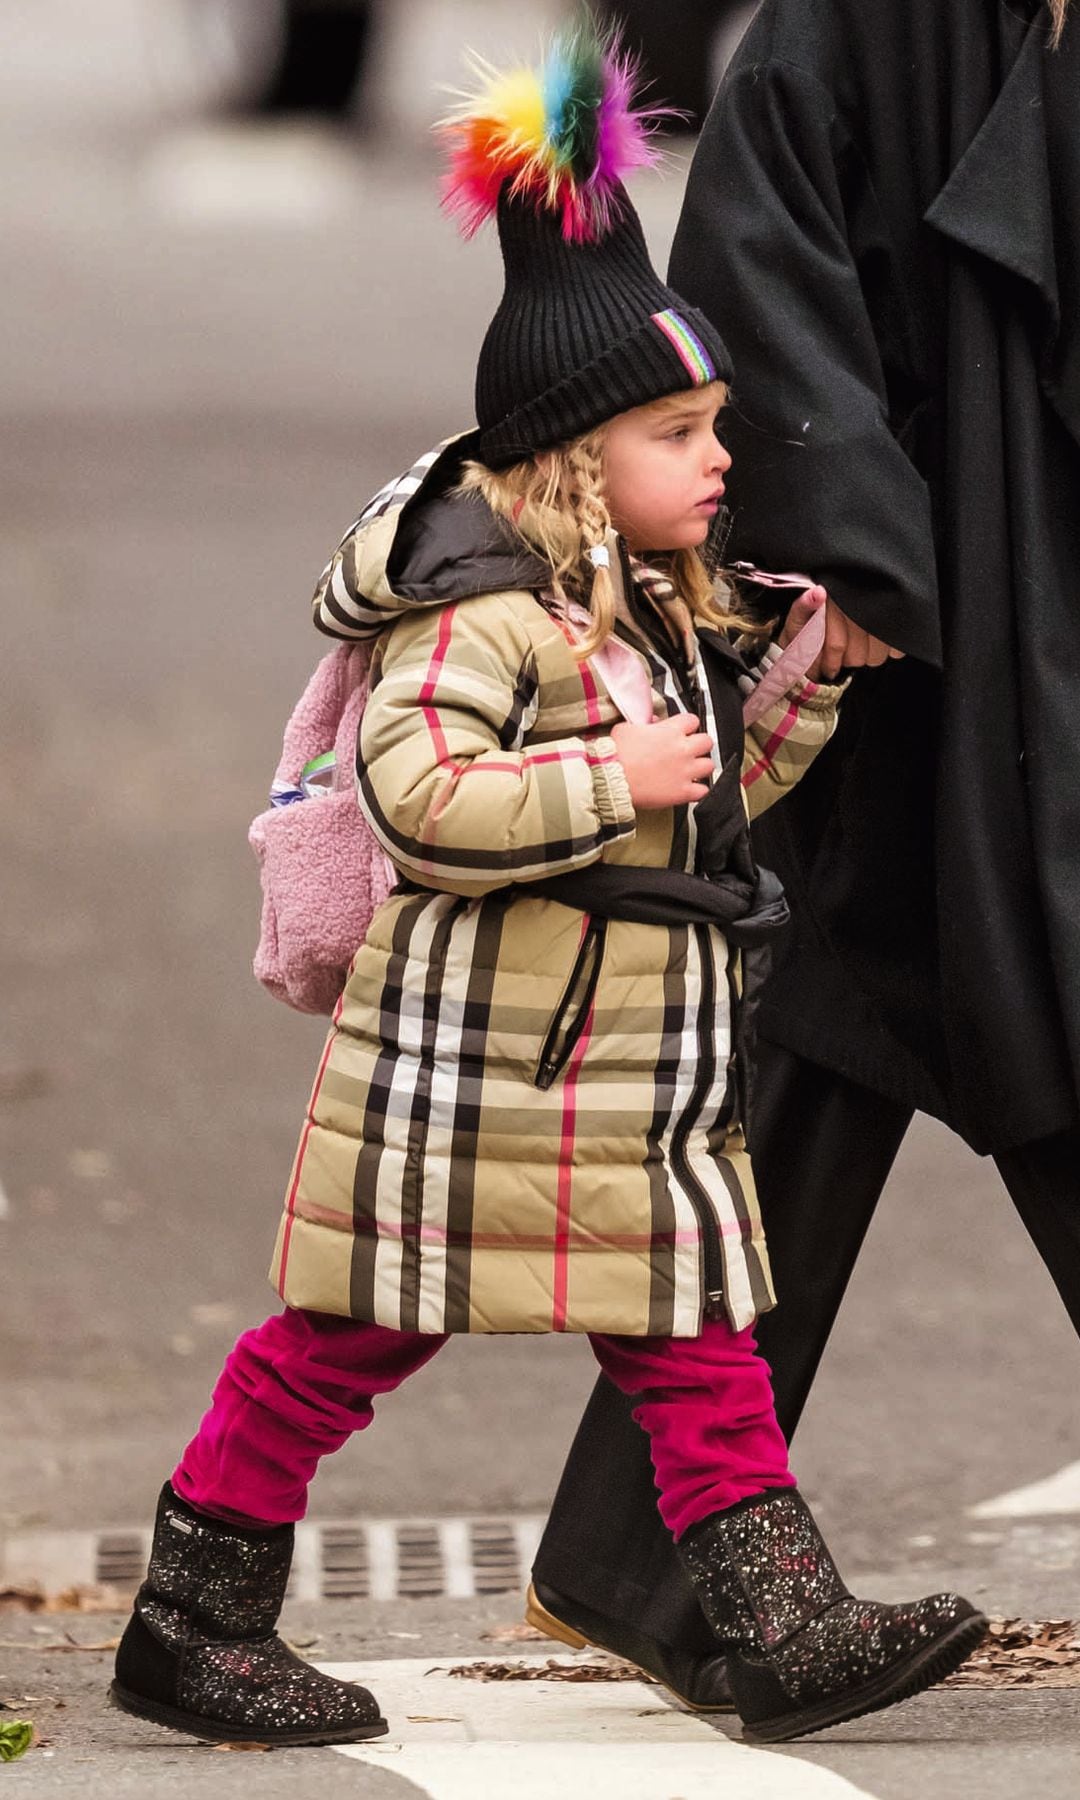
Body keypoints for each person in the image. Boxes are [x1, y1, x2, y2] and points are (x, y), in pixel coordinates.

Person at [108, 26, 983, 1753]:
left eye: (720, 420)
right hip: (468, 1070)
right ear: (577, 456)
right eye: (681, 429)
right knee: (337, 1347)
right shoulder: (479, 612)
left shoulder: (653, 607)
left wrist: (786, 697)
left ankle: (782, 1625)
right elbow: (420, 795)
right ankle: (194, 1614)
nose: (722, 457)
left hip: (615, 1074)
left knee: (702, 1339)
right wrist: (612, 776)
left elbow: (708, 798)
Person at [529, 0, 1080, 1708]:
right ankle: (630, 1559)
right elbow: (762, 280)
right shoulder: (860, 30)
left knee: (840, 1030)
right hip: (915, 624)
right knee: (934, 998)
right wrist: (832, 555)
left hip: (1019, 602)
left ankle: (639, 1558)